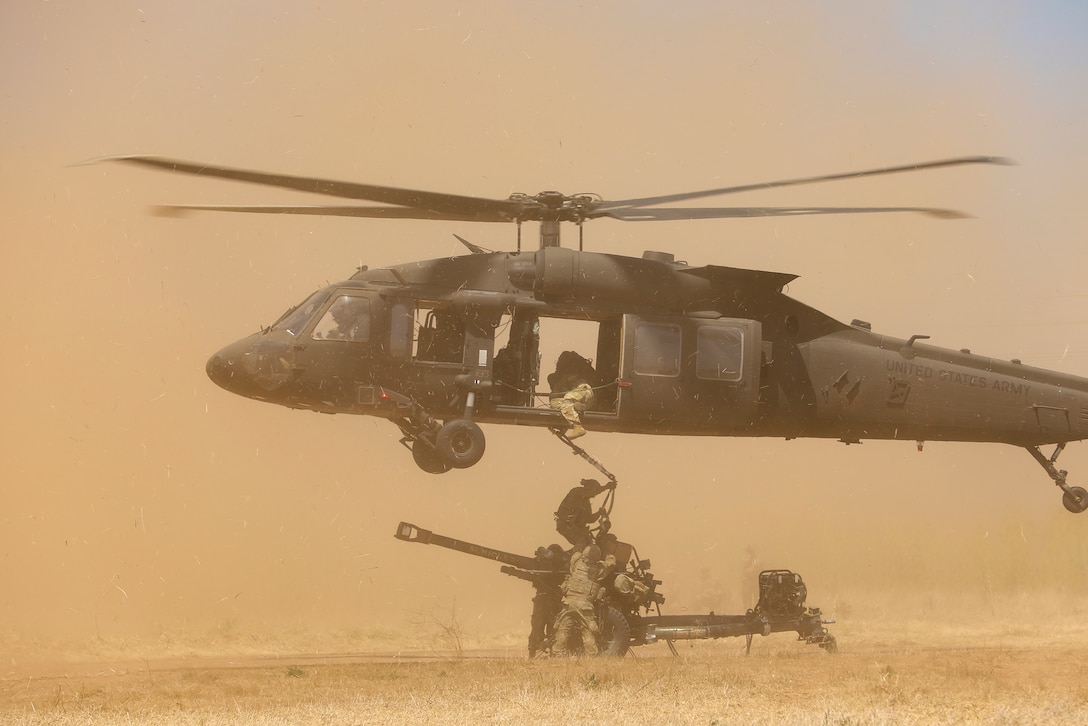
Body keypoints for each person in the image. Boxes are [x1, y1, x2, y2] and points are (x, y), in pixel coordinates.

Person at [552, 544, 616, 657]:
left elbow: (576, 553)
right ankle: (591, 656)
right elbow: (611, 564)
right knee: (588, 632)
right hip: (585, 606)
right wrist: (608, 552)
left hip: (569, 603)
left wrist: (582, 544)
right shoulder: (599, 570)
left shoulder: (576, 564)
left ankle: (558, 655)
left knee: (563, 630)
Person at [547, 351, 597, 439]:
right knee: (559, 403)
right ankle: (575, 408)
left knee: (559, 403)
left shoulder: (570, 377)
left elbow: (555, 396)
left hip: (583, 392)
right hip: (584, 399)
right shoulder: (563, 378)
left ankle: (577, 427)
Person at [554, 478, 616, 549]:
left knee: (590, 543)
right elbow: (587, 493)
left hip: (575, 527)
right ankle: (576, 557)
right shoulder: (576, 492)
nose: (593, 496)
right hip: (566, 525)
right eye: (594, 492)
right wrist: (605, 487)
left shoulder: (586, 503)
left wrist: (599, 513)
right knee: (581, 540)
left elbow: (590, 519)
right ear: (588, 488)